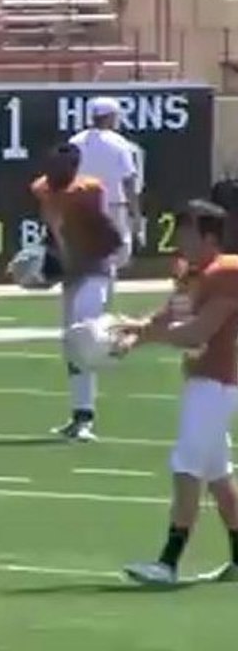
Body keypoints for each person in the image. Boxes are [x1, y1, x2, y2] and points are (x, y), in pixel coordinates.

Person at [116, 200, 238, 585]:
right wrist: (133, 332)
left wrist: (149, 337)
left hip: (220, 380)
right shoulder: (192, 272)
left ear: (209, 237)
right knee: (217, 473)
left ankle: (167, 563)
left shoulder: (226, 273)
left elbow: (198, 331)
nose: (179, 241)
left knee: (187, 466)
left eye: (187, 233)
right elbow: (172, 316)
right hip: (201, 377)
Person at [31, 143, 122, 442]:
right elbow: (53, 235)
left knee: (83, 334)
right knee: (71, 343)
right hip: (72, 275)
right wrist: (46, 267)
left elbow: (108, 235)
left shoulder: (87, 192)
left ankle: (113, 349)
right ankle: (80, 414)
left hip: (95, 271)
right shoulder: (43, 190)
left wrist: (94, 252)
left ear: (74, 169)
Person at [68, 96, 144, 272]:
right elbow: (128, 181)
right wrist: (136, 215)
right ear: (110, 117)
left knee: (86, 255)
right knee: (115, 256)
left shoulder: (75, 141)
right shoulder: (118, 142)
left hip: (82, 207)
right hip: (113, 207)